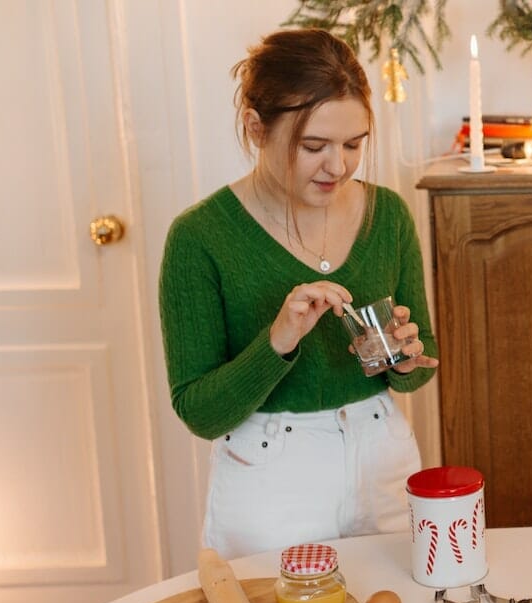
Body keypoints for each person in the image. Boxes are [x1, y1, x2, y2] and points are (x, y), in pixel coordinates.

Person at [159, 28, 439, 559]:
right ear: (256, 128)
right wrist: (278, 342)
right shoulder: (199, 237)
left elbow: (420, 363)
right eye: (314, 146)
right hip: (268, 478)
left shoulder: (389, 215)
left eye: (354, 144)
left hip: (383, 459)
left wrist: (403, 358)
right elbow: (200, 411)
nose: (338, 166)